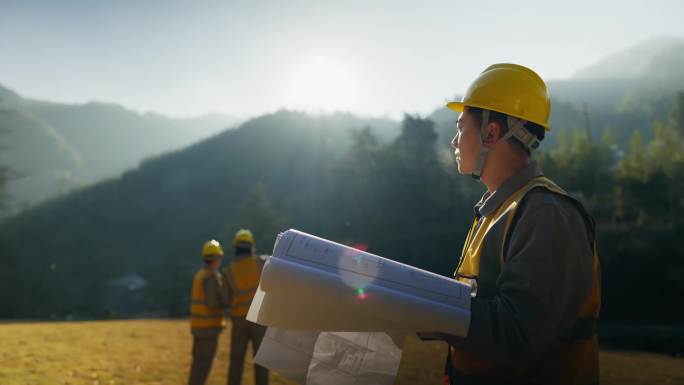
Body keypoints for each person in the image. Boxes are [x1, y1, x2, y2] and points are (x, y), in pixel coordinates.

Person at [421, 63, 601, 385]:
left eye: (461, 127)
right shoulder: (498, 209)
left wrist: (431, 309)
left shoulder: (545, 214)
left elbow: (519, 333)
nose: (454, 141)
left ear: (491, 133)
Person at [225, 229, 269, 385]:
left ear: (236, 247)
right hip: (259, 318)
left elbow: (226, 298)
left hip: (239, 320)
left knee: (236, 361)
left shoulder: (229, 271)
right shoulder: (262, 263)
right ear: (251, 246)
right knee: (261, 363)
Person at [188, 239, 230, 385]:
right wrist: (227, 302)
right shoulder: (211, 277)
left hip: (198, 327)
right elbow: (212, 303)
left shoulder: (200, 275)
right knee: (203, 365)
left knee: (197, 363)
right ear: (217, 258)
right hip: (208, 329)